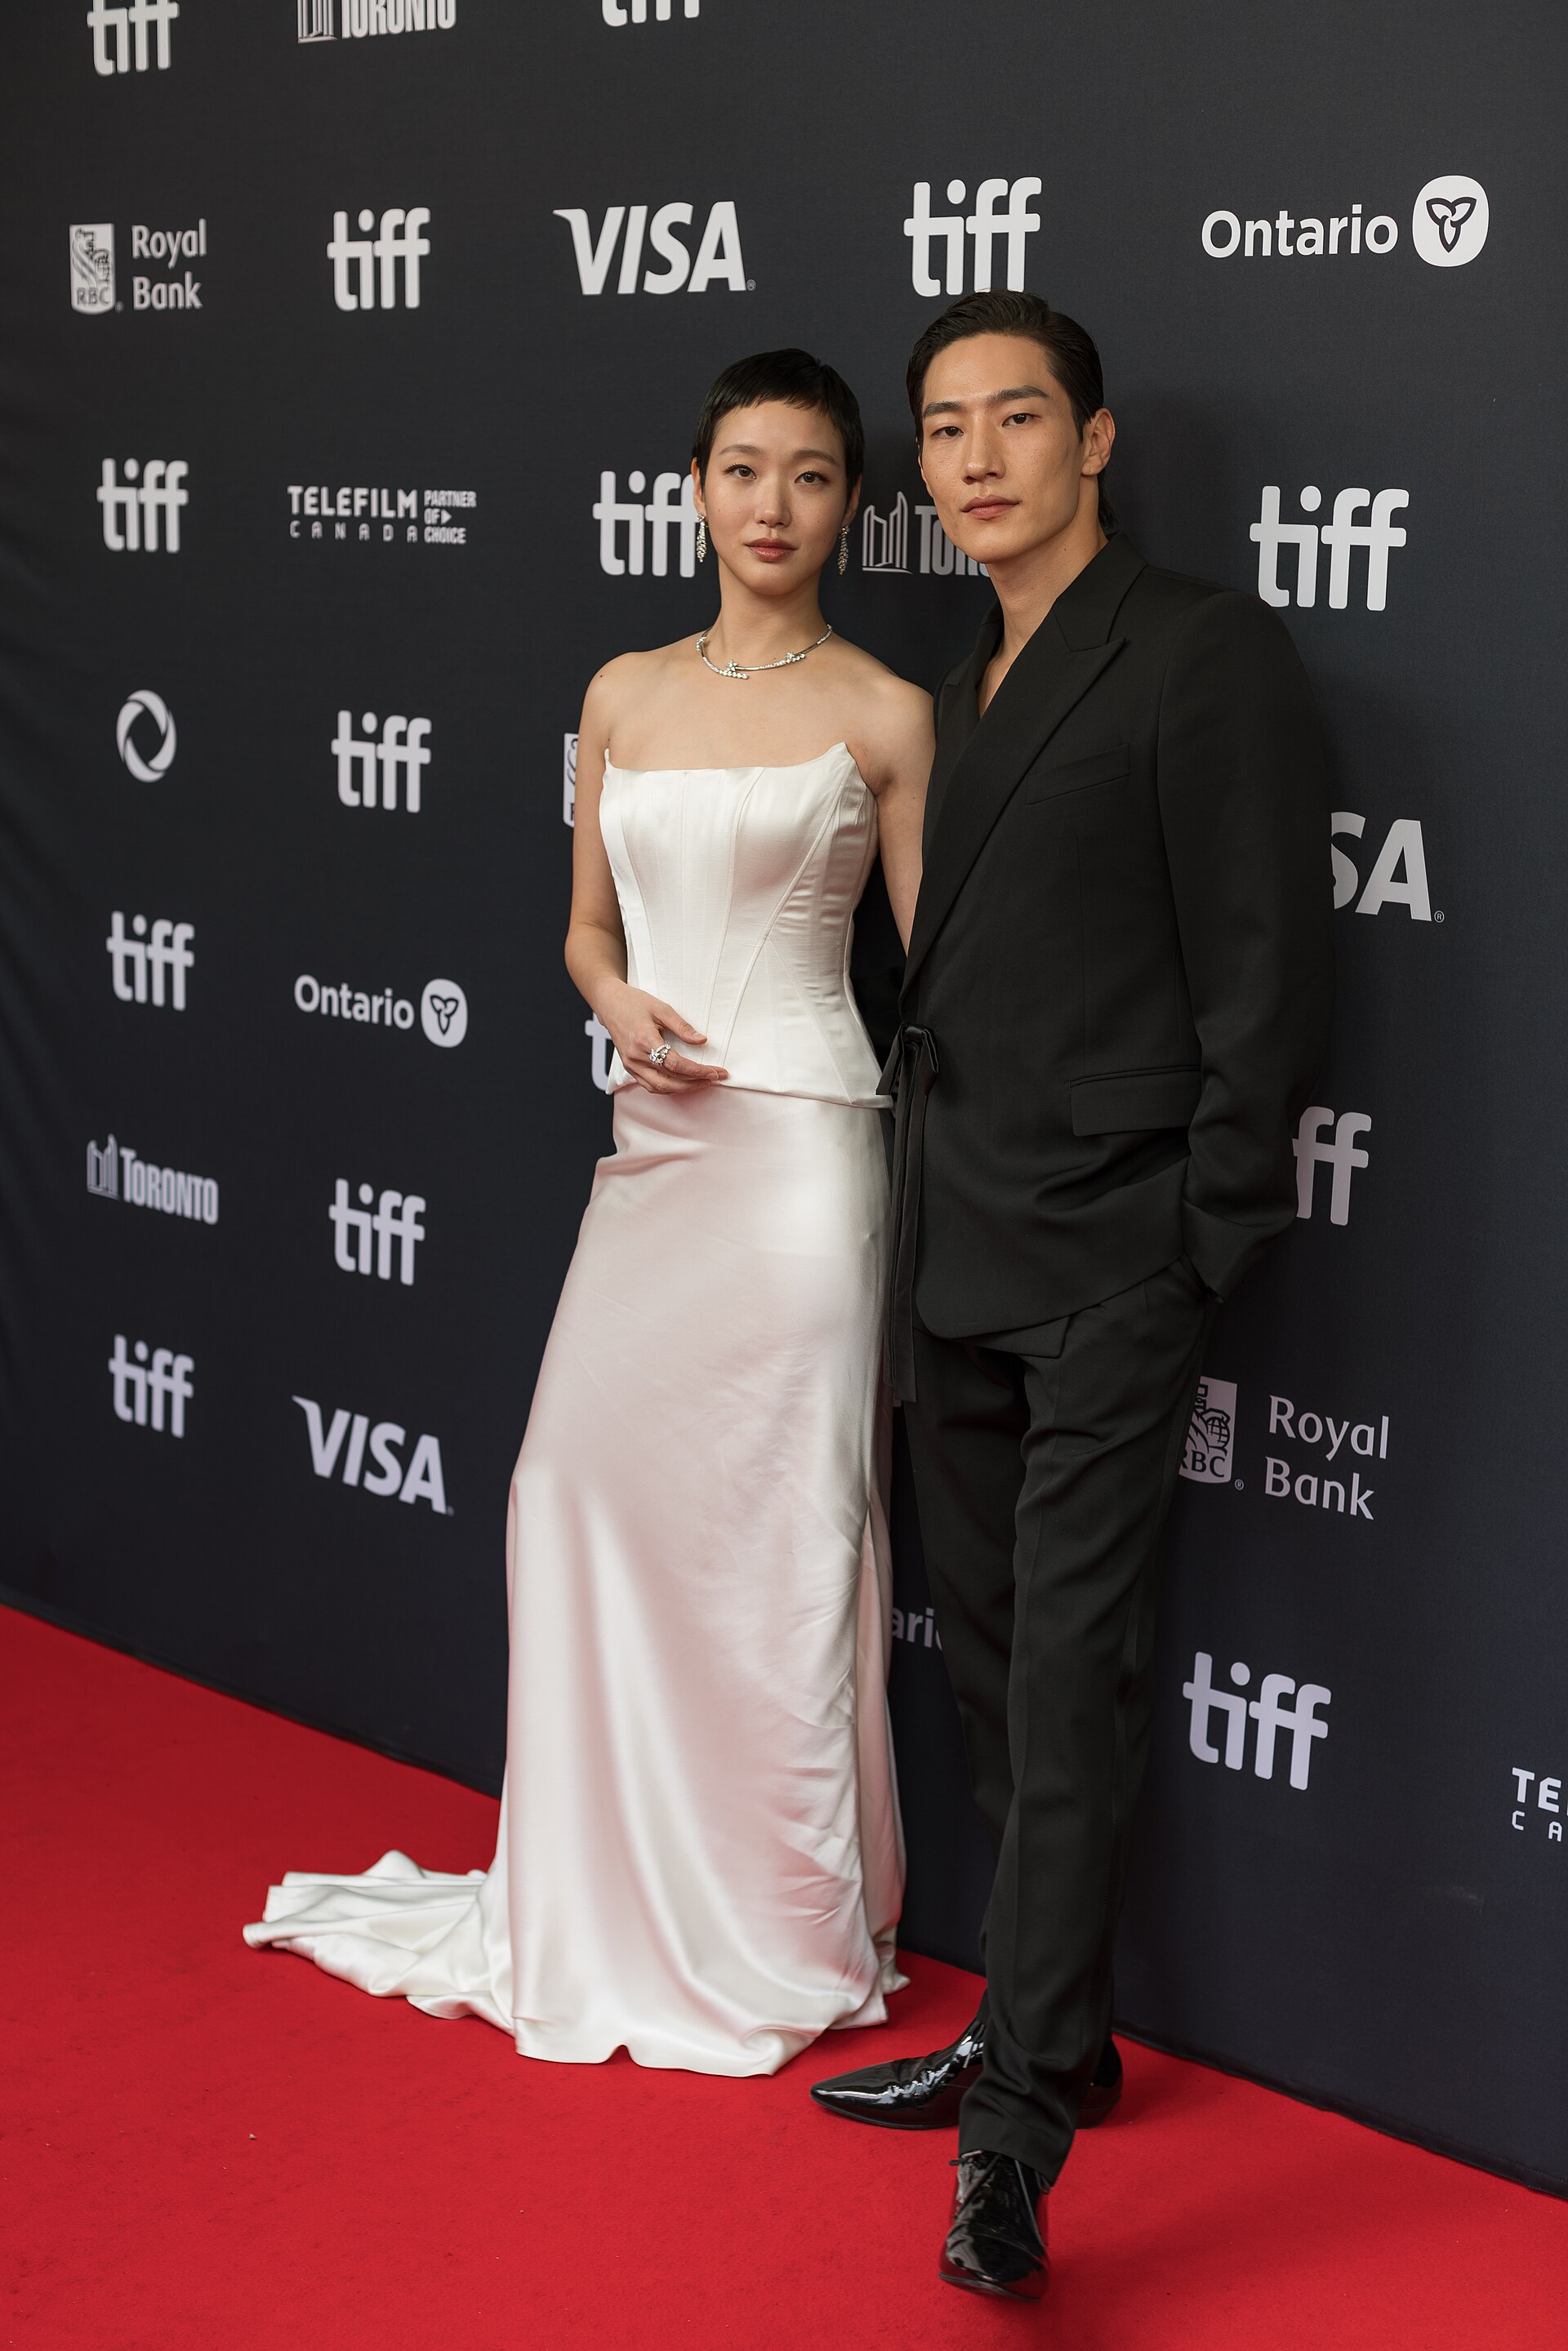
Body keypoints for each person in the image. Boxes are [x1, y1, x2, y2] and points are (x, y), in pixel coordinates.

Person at [246, 350, 934, 2077]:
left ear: (850, 505)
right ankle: (603, 1892)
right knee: (570, 1487)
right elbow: (583, 930)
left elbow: (949, 974)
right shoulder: (619, 692)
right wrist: (612, 1002)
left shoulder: (887, 710)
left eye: (809, 476)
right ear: (693, 487)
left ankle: (777, 1923)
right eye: (741, 469)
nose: (771, 505)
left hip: (801, 1159)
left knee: (786, 1543)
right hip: (657, 1147)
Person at [811, 291, 1334, 2296]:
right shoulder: (964, 680)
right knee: (1002, 1684)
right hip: (956, 1253)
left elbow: (1268, 987)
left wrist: (1192, 1241)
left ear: (1095, 441)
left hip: (1114, 1264)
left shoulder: (1202, 652)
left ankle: (1015, 2134)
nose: (975, 462)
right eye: (943, 431)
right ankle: (1063, 2042)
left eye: (1017, 420)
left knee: (1073, 1680)